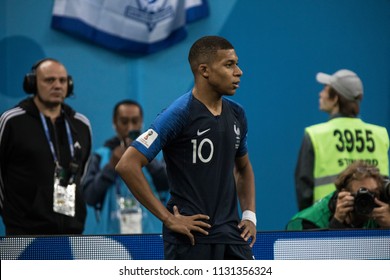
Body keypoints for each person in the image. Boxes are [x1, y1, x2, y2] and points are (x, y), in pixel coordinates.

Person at [115, 35, 257, 260]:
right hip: (189, 237)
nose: (239, 71)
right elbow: (127, 165)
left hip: (231, 235)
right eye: (229, 65)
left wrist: (249, 214)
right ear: (204, 70)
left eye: (236, 64)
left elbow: (243, 168)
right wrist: (168, 218)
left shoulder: (237, 113)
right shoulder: (178, 114)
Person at [0, 58, 92, 235]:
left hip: (72, 232)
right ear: (32, 83)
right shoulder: (11, 121)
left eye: (62, 81)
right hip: (24, 232)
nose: (57, 86)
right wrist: (12, 215)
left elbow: (81, 175)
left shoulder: (81, 125)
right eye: (49, 80)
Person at [295, 69, 389, 211]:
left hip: (327, 221)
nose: (320, 94)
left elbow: (304, 191)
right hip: (373, 221)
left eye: (325, 90)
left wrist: (311, 223)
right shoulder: (380, 134)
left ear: (336, 98)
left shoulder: (315, 134)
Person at [82, 99, 169, 234]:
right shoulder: (101, 156)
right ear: (115, 124)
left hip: (150, 237)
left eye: (135, 121)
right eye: (124, 122)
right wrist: (111, 166)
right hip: (111, 242)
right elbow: (89, 197)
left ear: (142, 123)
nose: (130, 128)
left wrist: (144, 157)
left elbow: (167, 183)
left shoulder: (153, 155)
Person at [287, 160, 390, 230]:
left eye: (374, 193)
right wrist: (337, 223)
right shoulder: (305, 223)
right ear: (344, 194)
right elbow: (317, 260)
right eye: (362, 195)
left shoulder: (381, 213)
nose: (369, 201)